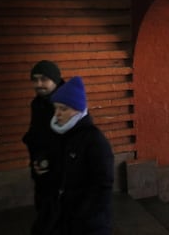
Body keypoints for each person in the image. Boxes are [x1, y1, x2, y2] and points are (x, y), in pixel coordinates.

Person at [49, 76, 115, 235]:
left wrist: (82, 213)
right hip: (65, 218)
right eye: (56, 108)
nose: (57, 114)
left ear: (77, 109)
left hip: (90, 225)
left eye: (63, 109)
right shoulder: (63, 134)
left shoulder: (94, 141)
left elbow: (103, 184)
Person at [22, 60, 65, 235]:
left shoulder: (66, 104)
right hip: (42, 170)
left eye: (44, 79)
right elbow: (37, 134)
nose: (38, 84)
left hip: (61, 175)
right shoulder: (38, 103)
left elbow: (71, 141)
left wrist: (50, 162)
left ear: (55, 80)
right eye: (35, 79)